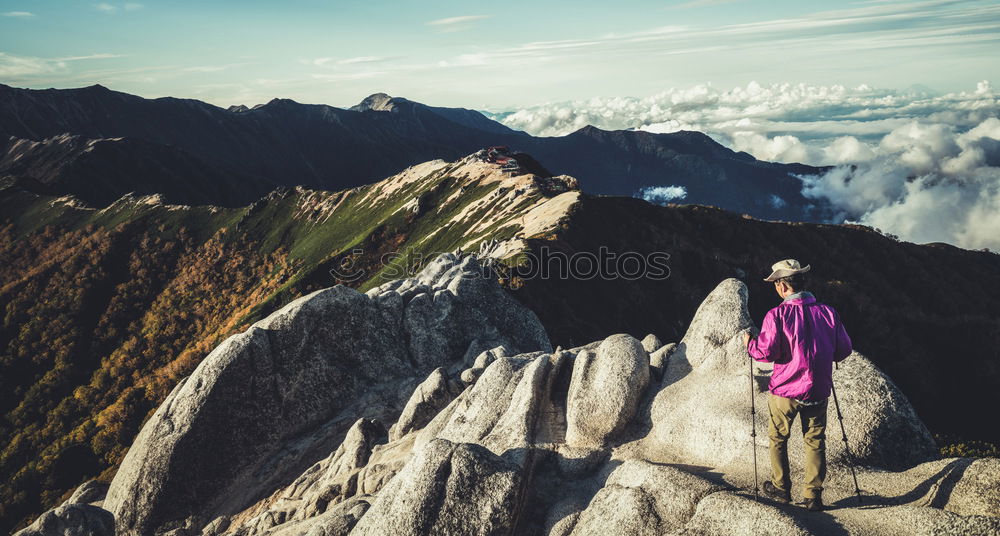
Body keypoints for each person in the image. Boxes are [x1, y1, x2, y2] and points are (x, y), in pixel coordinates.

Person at [742, 259, 852, 512]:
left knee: (778, 437)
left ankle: (782, 488)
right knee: (815, 440)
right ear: (802, 283)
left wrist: (750, 343)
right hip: (818, 389)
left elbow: (767, 352)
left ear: (781, 286)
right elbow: (843, 349)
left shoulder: (777, 315)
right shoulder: (828, 312)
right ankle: (813, 495)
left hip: (786, 390)